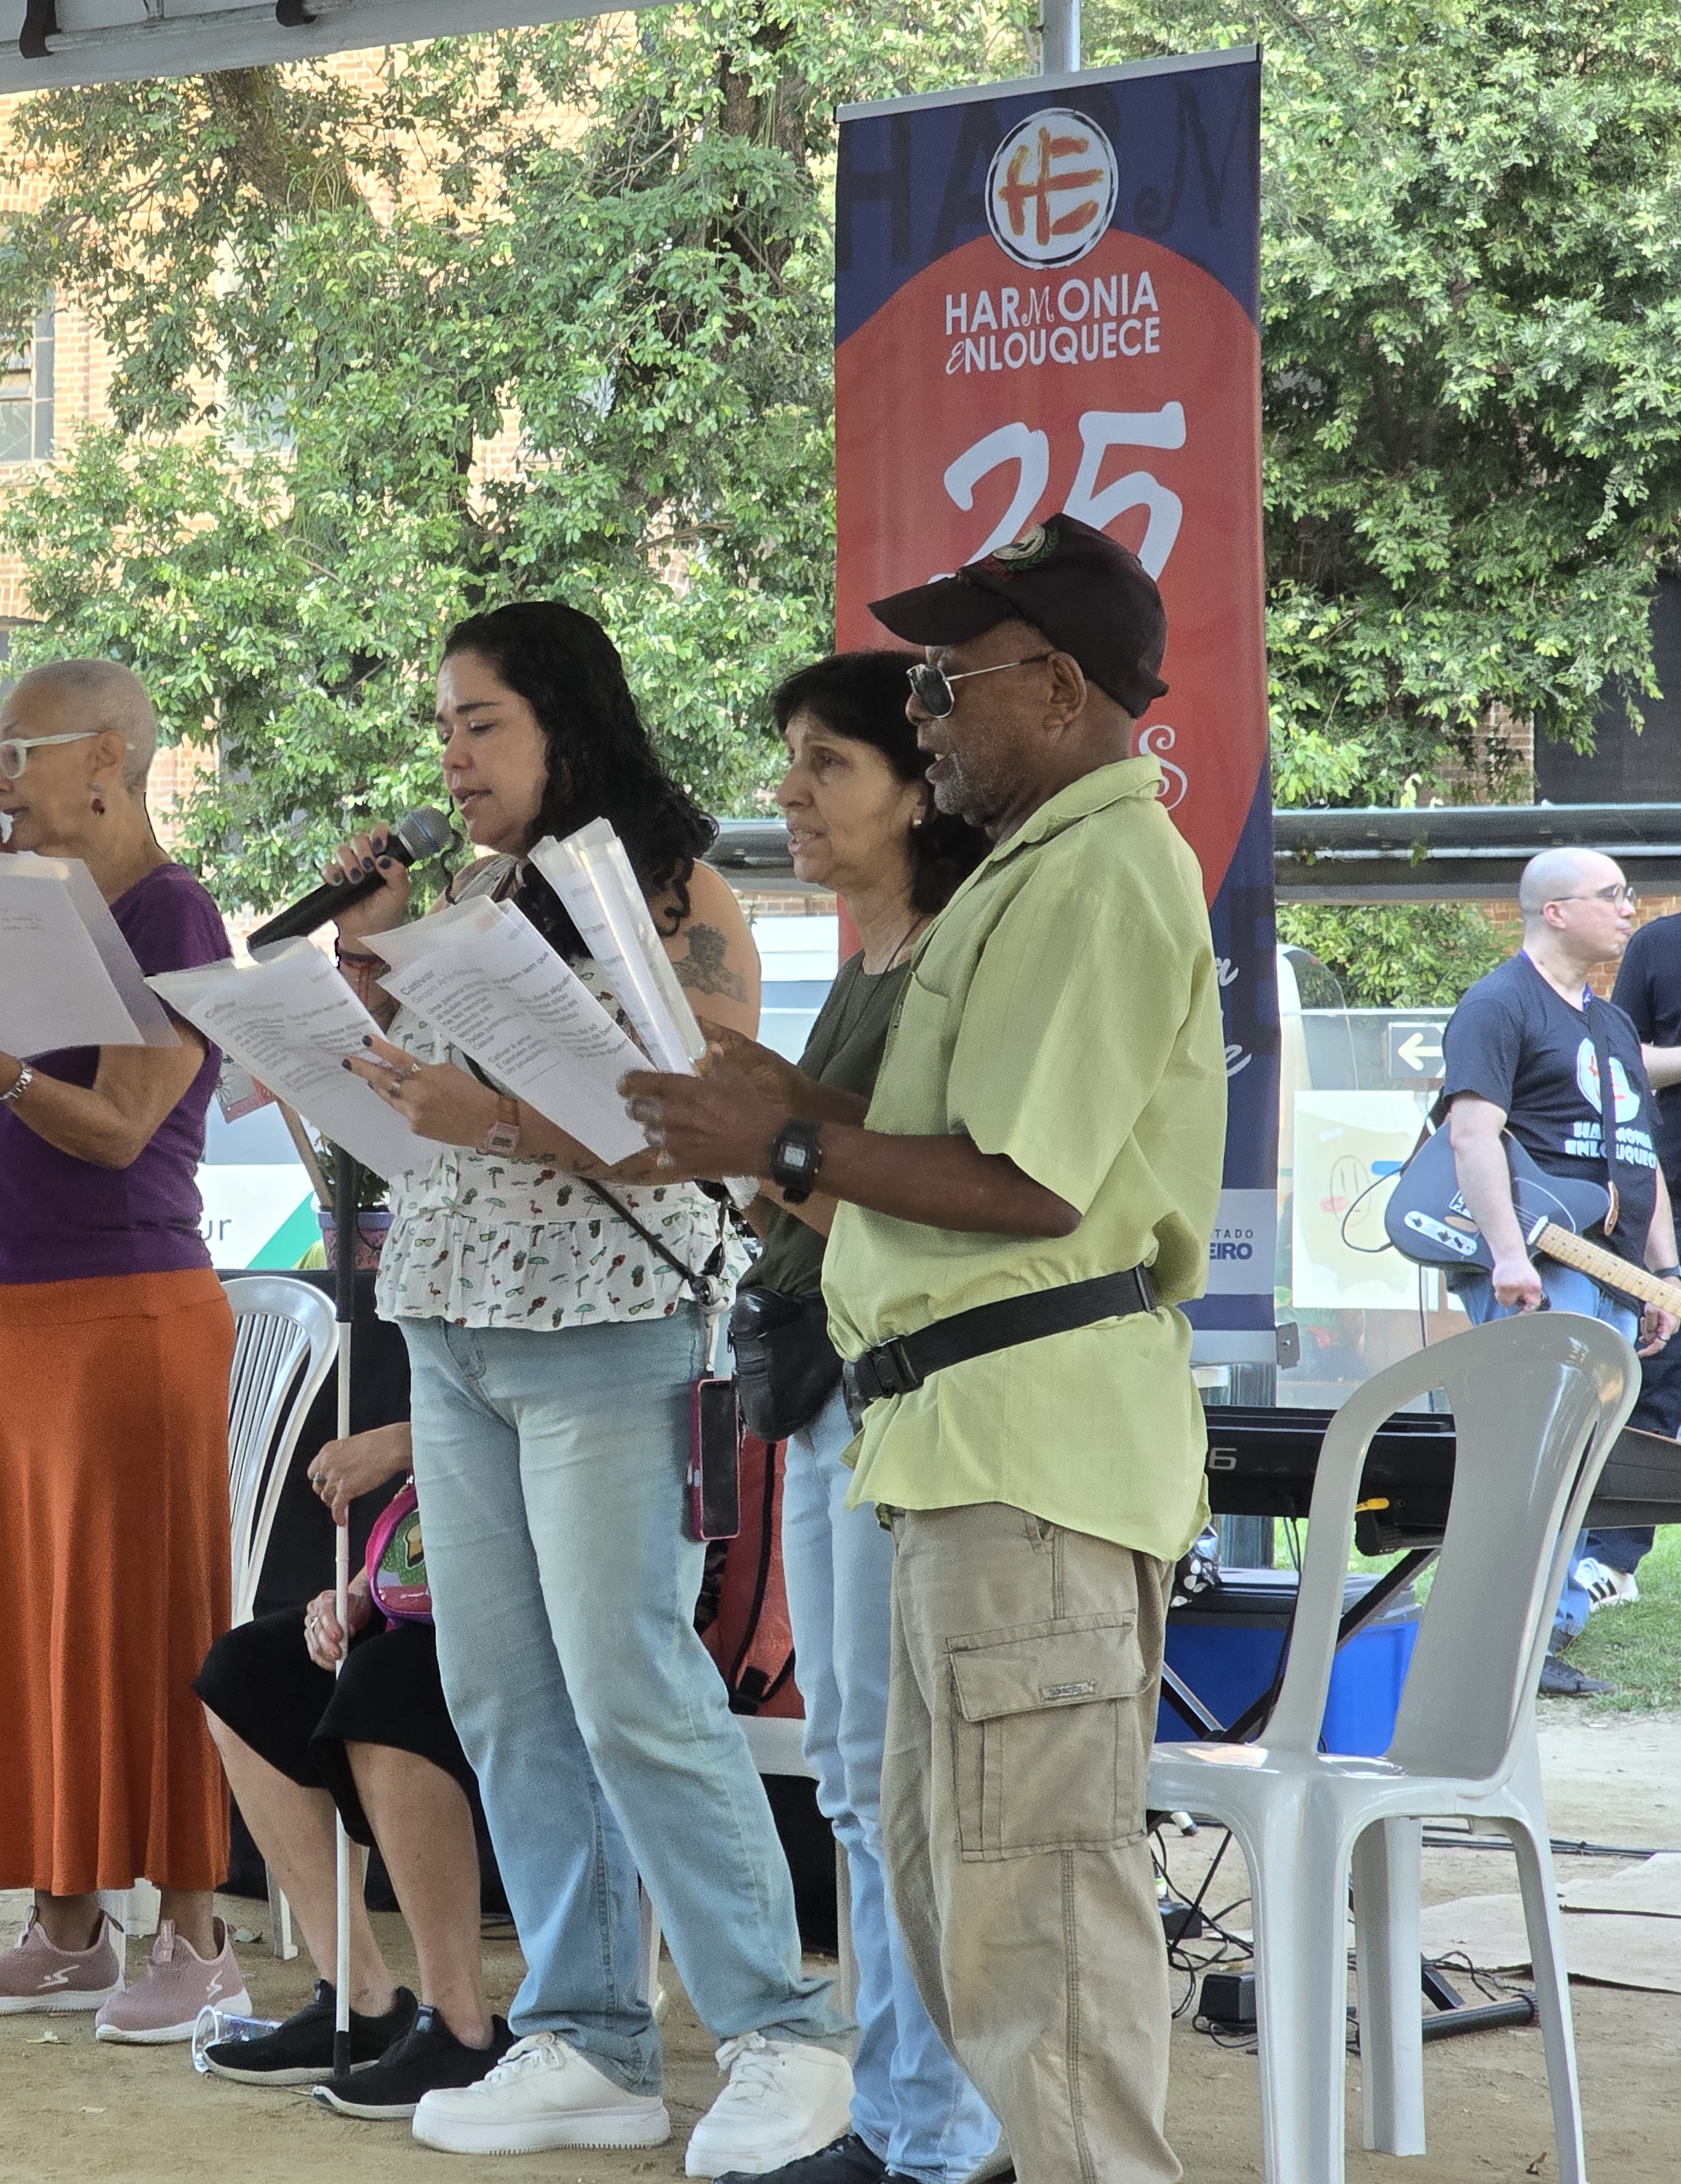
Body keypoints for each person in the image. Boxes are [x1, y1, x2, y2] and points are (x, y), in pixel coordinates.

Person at [623, 513, 1221, 2184]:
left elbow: (1026, 1185)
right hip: (951, 1442)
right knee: (958, 1903)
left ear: (1059, 686)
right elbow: (933, 1140)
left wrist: (784, 1139)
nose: (926, 715)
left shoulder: (1100, 869)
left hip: (1028, 1451)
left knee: (1041, 1932)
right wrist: (778, 1108)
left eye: (949, 686)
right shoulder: (1024, 876)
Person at [334, 601, 853, 2178]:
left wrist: (487, 1117)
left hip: (614, 1330)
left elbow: (700, 1131)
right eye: (441, 726)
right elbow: (416, 1112)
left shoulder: (672, 891)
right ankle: (585, 2036)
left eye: (480, 721)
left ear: (566, 721)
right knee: (500, 1691)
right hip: (453, 1327)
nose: (451, 753)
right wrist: (362, 983)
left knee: (630, 1681)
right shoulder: (475, 899)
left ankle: (780, 2032)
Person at [0, 657, 249, 2043]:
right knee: (25, 1637)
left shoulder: (170, 911)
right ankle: (66, 1930)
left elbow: (122, 1126)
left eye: (22, 752)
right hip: (2, 1314)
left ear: (109, 761)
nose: (0, 780)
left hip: (118, 1312)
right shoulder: (34, 906)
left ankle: (197, 1938)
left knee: (144, 1631)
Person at [724, 653, 997, 2184]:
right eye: (792, 763)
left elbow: (916, 1205)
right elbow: (815, 1180)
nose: (790, 793)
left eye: (826, 764)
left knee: (898, 1776)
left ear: (917, 786)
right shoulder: (871, 955)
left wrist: (764, 1138)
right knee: (850, 1770)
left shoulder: (951, 955)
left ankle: (938, 2128)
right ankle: (904, 2114)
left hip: (904, 1391)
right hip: (830, 1383)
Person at [191, 1423, 512, 2118]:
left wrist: (404, 1441)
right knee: (245, 1674)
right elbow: (436, 1496)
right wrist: (366, 1588)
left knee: (385, 1685)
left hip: (531, 1614)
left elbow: (529, 1430)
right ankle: (360, 2000)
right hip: (433, 1600)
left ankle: (462, 2028)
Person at [1436, 846, 1676, 1696]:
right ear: (1555, 911)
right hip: (1543, 1270)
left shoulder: (1608, 1024)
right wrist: (1507, 1253)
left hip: (1616, 1277)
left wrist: (1664, 1274)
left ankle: (1543, 1638)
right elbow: (1471, 1135)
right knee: (1530, 1461)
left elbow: (1640, 1159)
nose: (1629, 908)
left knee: (1577, 1466)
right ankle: (1496, 1651)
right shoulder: (1498, 1003)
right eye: (1612, 894)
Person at [1573, 891, 1681, 1608]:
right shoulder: (1659, 943)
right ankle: (1613, 1558)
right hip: (1673, 1189)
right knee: (1653, 1368)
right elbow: (1621, 1063)